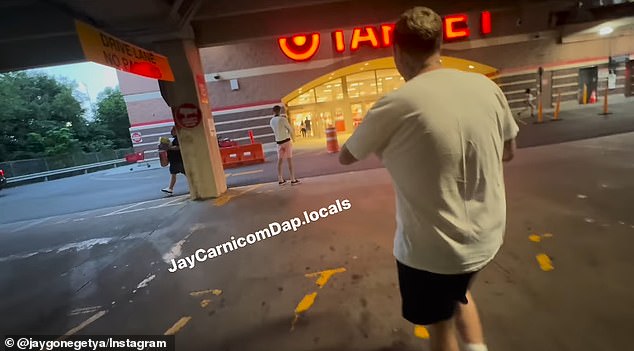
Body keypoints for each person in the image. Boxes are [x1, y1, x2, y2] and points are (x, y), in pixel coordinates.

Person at [338, 7, 518, 351]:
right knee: (458, 294)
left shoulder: (396, 105)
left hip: (431, 251)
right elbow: (508, 151)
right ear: (440, 44)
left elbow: (346, 156)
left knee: (440, 324)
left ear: (397, 53)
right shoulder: (486, 87)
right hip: (486, 238)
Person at [269, 105, 299, 185]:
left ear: (273, 111)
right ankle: (293, 179)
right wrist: (293, 138)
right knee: (289, 160)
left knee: (280, 161)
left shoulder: (271, 121)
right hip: (286, 141)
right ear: (279, 111)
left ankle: (280, 179)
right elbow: (290, 129)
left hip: (279, 142)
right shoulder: (282, 119)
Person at [161, 126, 186, 195]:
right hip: (174, 161)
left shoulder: (178, 139)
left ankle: (196, 185)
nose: (171, 132)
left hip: (178, 160)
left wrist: (169, 147)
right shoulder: (174, 139)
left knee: (185, 173)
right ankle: (170, 188)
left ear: (176, 131)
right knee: (174, 174)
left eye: (172, 130)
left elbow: (178, 147)